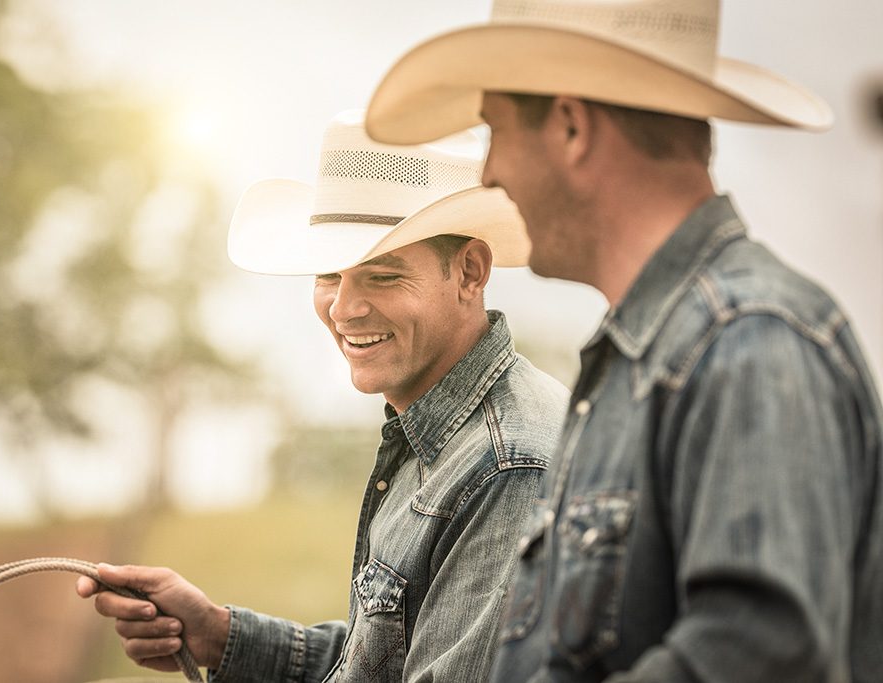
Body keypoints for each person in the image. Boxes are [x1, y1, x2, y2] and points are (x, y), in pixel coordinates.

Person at [365, 1, 883, 682]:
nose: (489, 172)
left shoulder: (748, 342)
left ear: (572, 126)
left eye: (495, 129)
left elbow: (759, 654)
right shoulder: (657, 355)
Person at [77, 110, 570, 682]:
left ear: (469, 272)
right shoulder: (450, 439)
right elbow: (389, 655)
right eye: (328, 276)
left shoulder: (505, 468)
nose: (343, 309)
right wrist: (219, 633)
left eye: (382, 275)